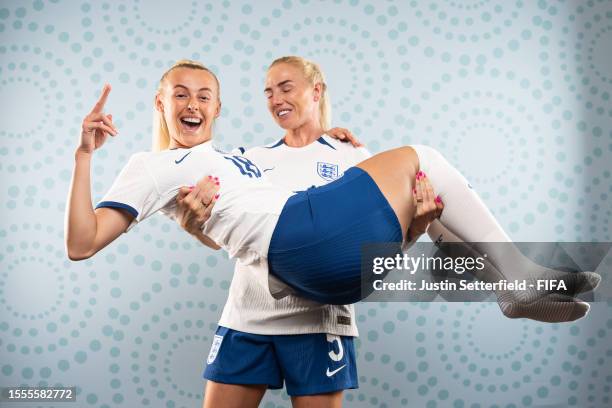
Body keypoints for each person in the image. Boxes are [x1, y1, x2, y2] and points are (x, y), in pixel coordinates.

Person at [65, 59, 600, 331]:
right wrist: (85, 155)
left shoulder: (232, 157)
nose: (193, 102)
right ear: (159, 105)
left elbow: (238, 225)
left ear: (218, 108)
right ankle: (517, 275)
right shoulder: (150, 166)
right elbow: (82, 244)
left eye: (204, 95)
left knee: (426, 189)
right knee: (423, 156)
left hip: (324, 263)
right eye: (179, 94)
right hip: (303, 247)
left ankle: (499, 276)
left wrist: (337, 148)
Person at [172, 56, 443, 407]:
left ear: (316, 91)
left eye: (286, 88)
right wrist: (193, 227)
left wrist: (418, 227)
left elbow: (376, 250)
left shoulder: (355, 157)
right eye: (269, 92)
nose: (276, 99)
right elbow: (222, 239)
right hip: (247, 318)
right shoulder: (250, 160)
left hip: (320, 325)